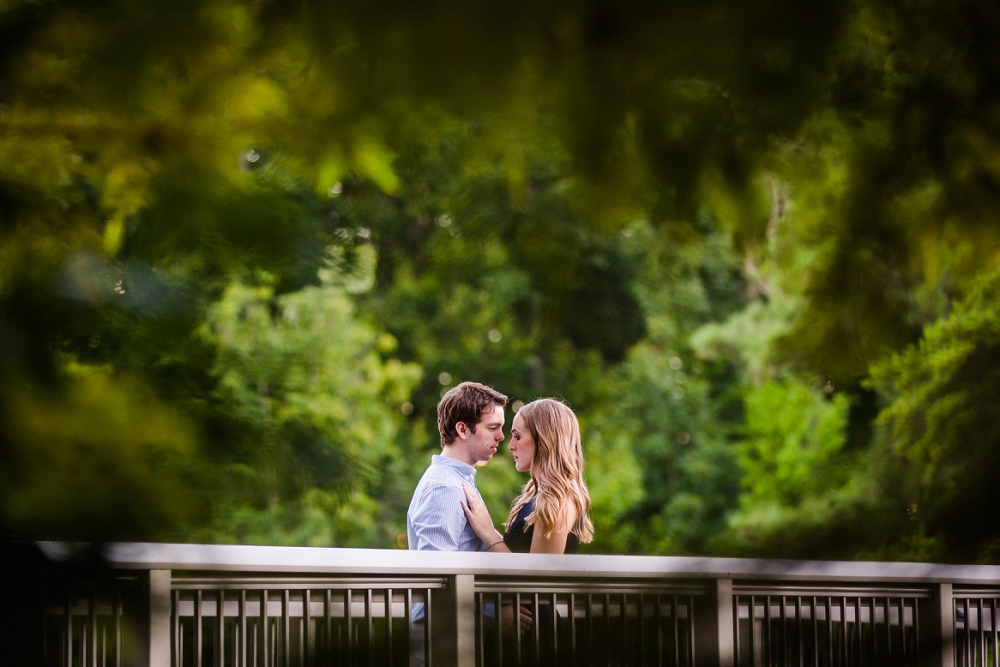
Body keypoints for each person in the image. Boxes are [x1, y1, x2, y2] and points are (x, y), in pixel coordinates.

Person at [405, 381, 530, 665]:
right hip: (440, 637)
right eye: (492, 427)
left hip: (454, 633)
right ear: (462, 430)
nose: (501, 437)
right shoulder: (444, 487)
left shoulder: (457, 481)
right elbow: (436, 582)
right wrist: (494, 618)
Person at [461, 398, 593, 553]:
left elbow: (536, 575)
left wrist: (487, 531)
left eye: (517, 437)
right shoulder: (541, 497)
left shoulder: (557, 502)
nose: (511, 446)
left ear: (544, 439)